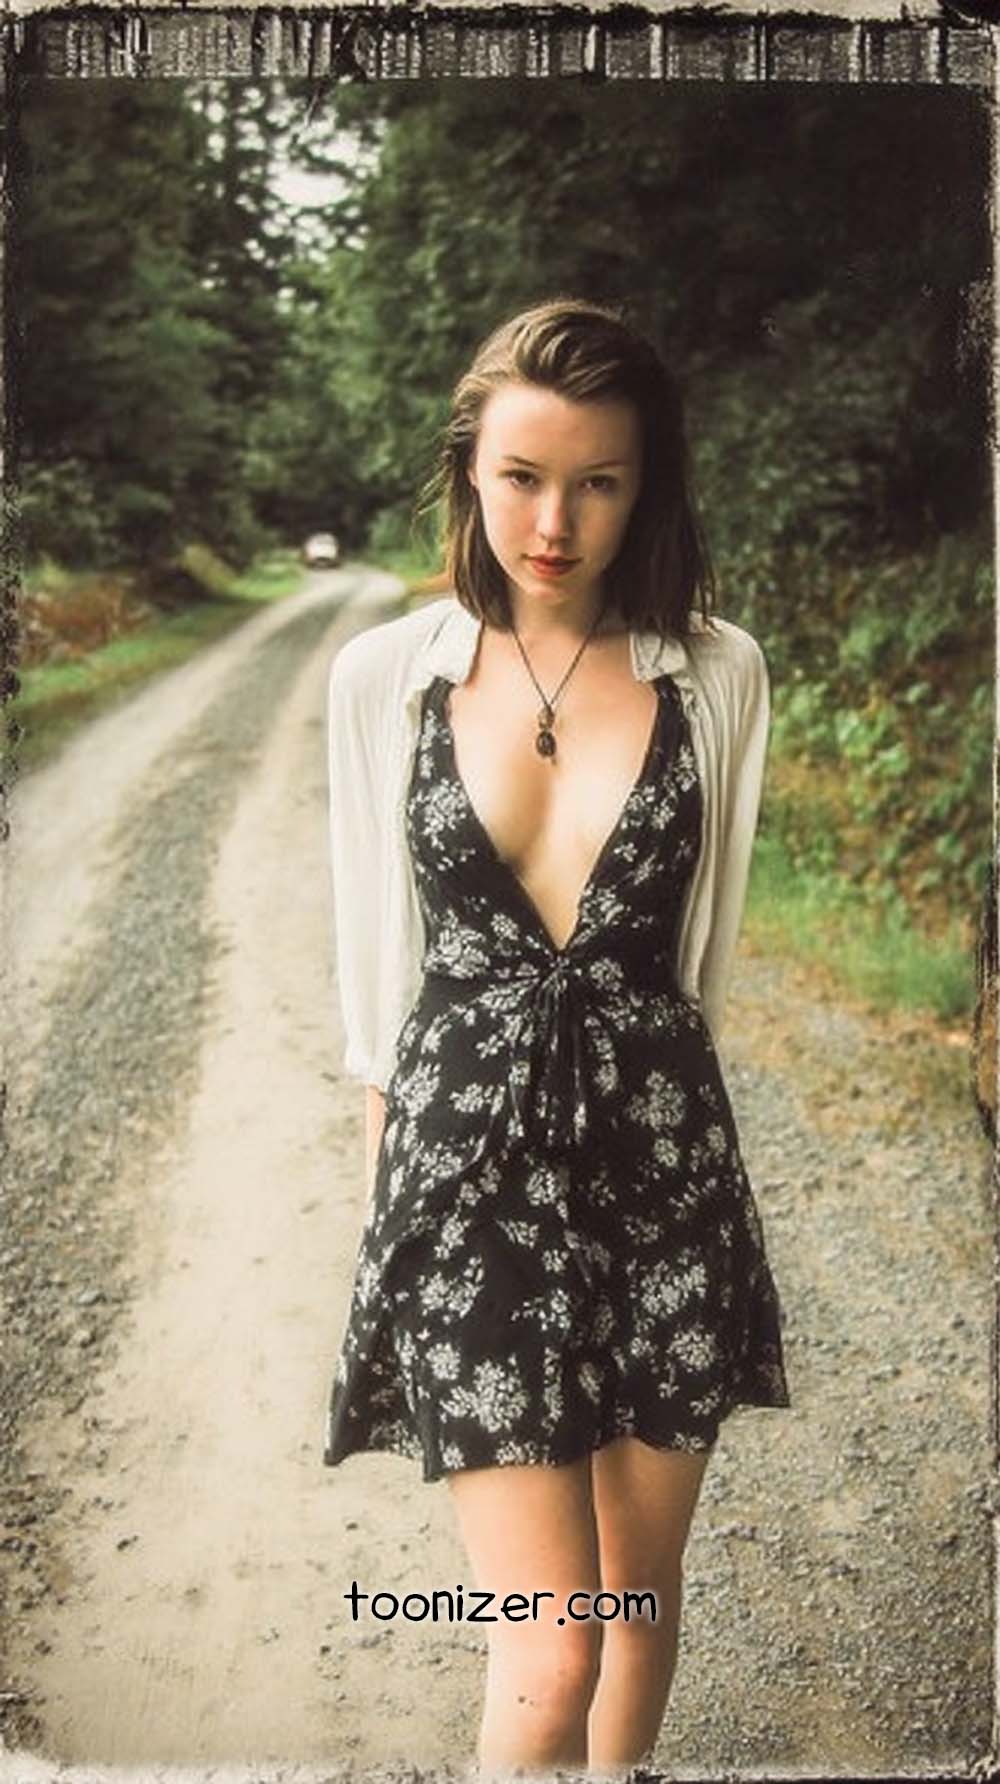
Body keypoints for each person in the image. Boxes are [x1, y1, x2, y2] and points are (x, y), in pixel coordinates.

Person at [321, 296, 791, 1778]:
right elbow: (377, 981)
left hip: (661, 1170)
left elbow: (694, 969)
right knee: (553, 1645)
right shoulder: (380, 681)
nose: (556, 517)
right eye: (524, 475)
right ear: (470, 471)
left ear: (647, 486)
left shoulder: (718, 674)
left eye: (600, 480)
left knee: (639, 1604)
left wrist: (688, 1168)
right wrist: (384, 1211)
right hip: (468, 1187)